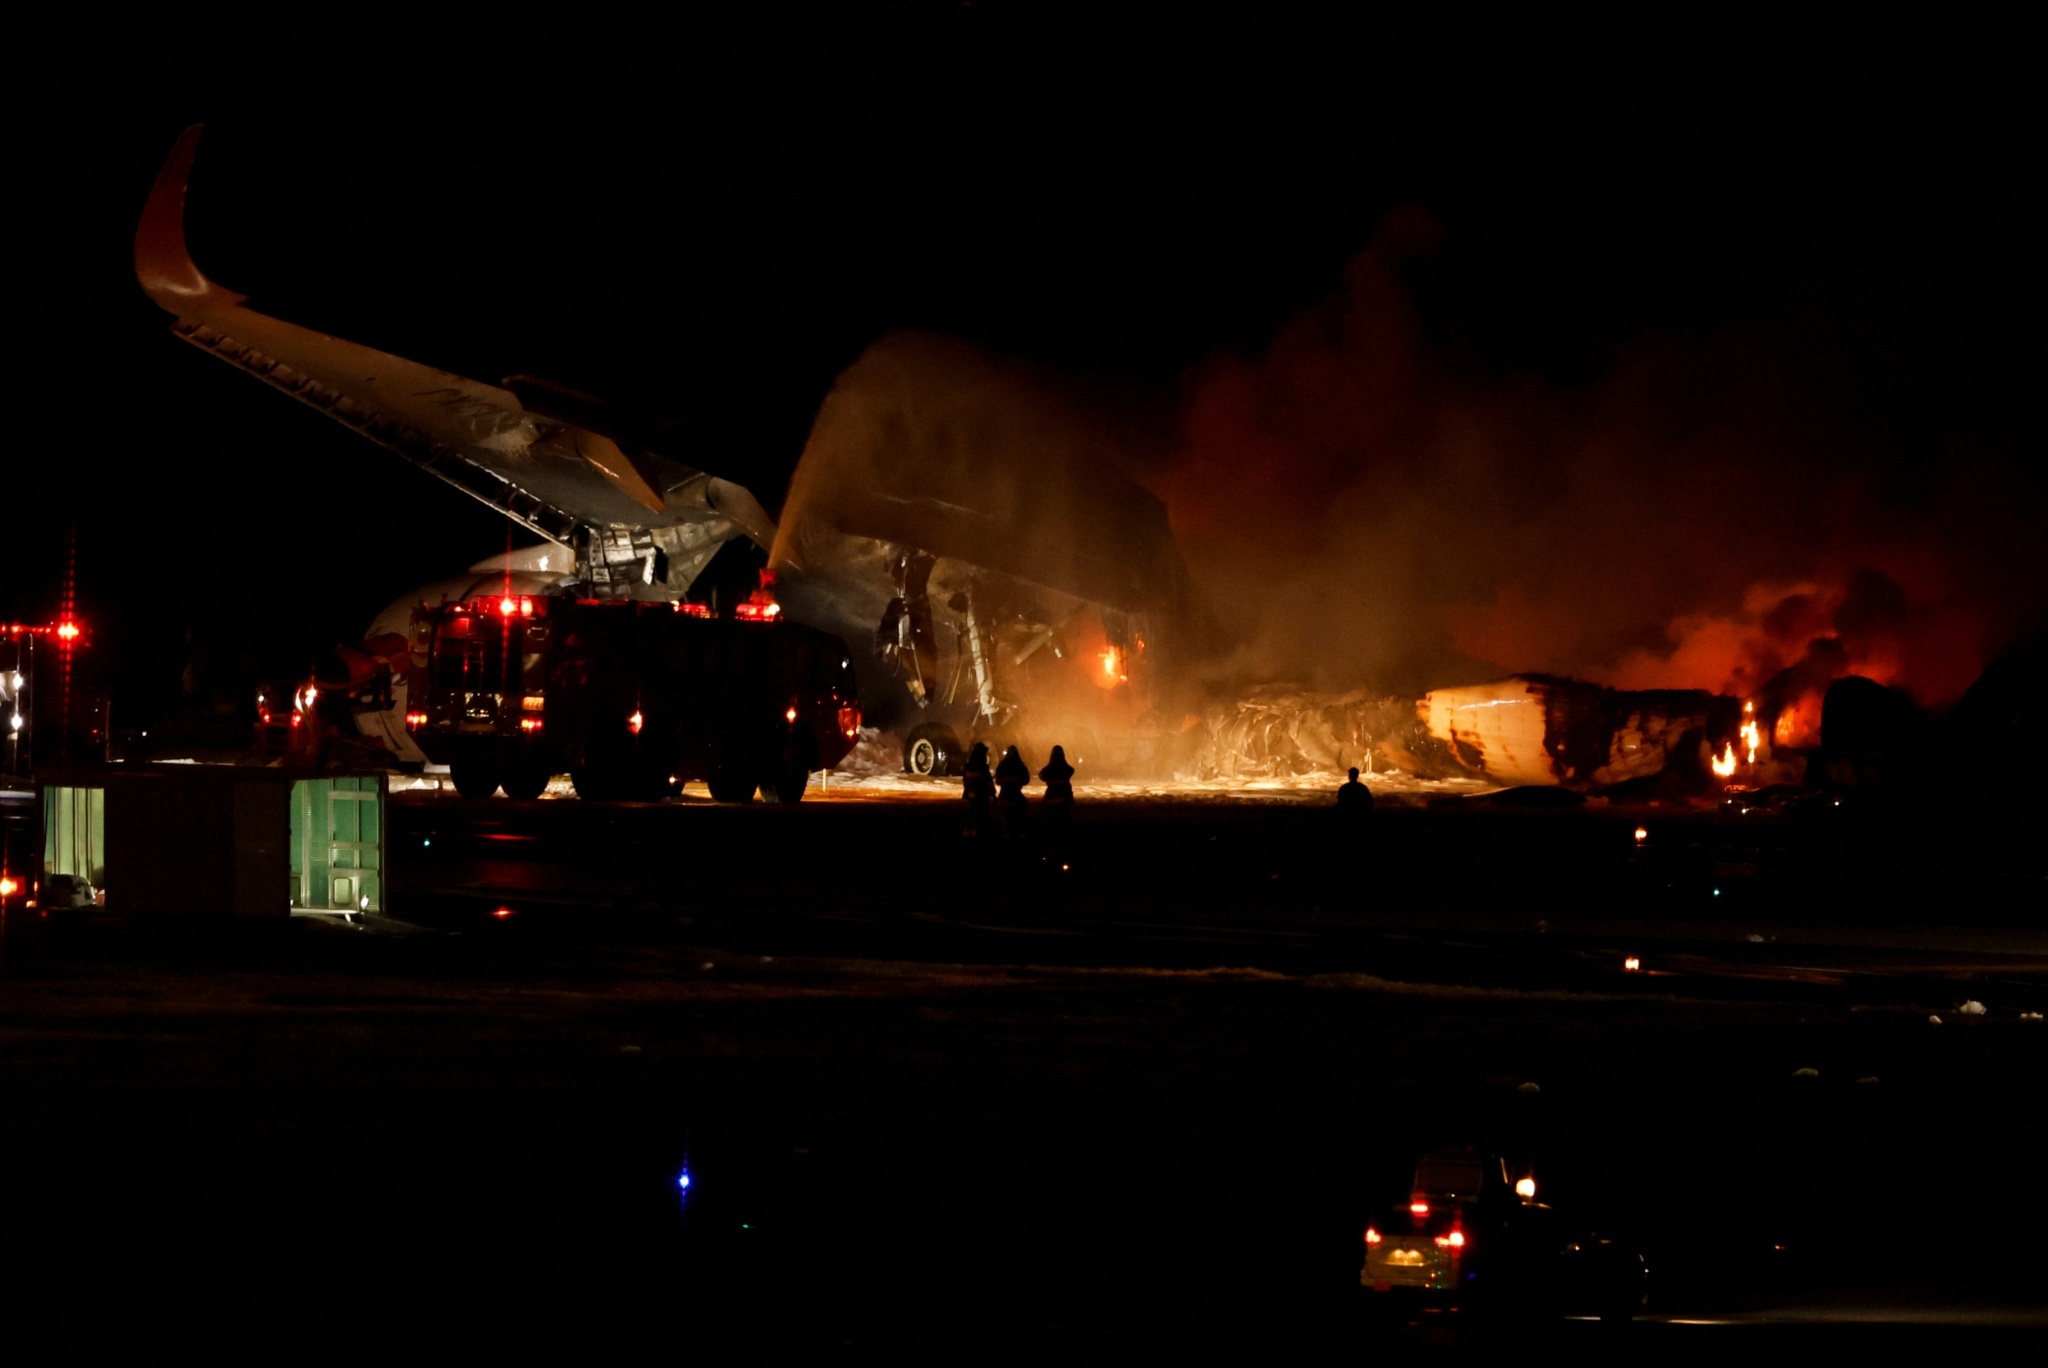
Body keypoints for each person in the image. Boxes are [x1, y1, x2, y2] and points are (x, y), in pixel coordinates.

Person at [994, 744, 1031, 837]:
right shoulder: (1020, 766)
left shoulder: (1002, 765)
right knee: (1018, 818)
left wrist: (1007, 781)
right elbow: (1026, 780)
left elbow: (997, 780)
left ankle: (1008, 836)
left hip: (1005, 796)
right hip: (1016, 796)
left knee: (1007, 819)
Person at [1038, 744, 1076, 833]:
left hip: (1051, 796)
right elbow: (1071, 770)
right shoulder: (1067, 769)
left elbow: (1042, 775)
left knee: (1051, 819)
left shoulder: (1048, 769)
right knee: (1064, 819)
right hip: (1064, 797)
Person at [961, 742, 994, 837]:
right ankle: (978, 833)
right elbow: (988, 782)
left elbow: (965, 781)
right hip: (981, 794)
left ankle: (968, 831)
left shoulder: (968, 766)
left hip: (970, 793)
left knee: (970, 813)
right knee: (980, 814)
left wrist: (969, 791)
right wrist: (992, 794)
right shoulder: (983, 767)